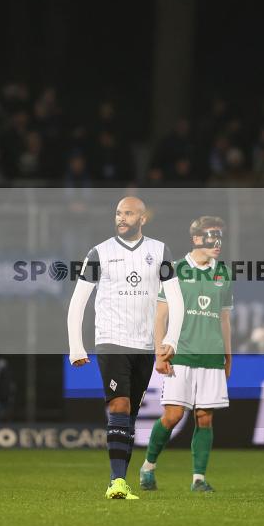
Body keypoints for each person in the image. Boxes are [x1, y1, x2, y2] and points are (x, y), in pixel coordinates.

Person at [67, 196, 184, 499]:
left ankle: (120, 480)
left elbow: (176, 298)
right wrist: (76, 345)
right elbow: (78, 301)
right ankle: (116, 482)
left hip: (144, 345)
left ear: (143, 219)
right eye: (119, 213)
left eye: (129, 213)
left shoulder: (159, 251)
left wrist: (170, 339)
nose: (122, 218)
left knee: (128, 416)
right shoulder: (100, 252)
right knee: (118, 405)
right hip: (111, 339)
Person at [140, 216, 233, 493]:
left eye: (220, 236)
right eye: (211, 236)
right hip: (180, 355)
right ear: (196, 239)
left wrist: (228, 356)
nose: (217, 242)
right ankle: (148, 467)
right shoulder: (176, 270)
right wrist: (159, 353)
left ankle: (198, 479)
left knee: (205, 417)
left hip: (211, 356)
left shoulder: (223, 273)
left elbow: (224, 319)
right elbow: (160, 317)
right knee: (173, 416)